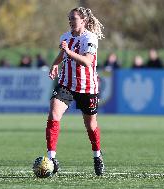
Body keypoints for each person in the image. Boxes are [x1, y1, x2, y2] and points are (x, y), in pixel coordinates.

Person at [45, 7, 105, 176]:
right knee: (53, 115)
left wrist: (68, 52)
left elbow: (87, 61)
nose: (71, 21)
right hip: (66, 84)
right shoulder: (65, 37)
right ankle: (51, 158)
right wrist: (56, 63)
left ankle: (97, 155)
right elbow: (63, 55)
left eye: (74, 19)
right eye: (69, 18)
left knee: (91, 125)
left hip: (87, 87)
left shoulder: (90, 38)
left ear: (83, 21)